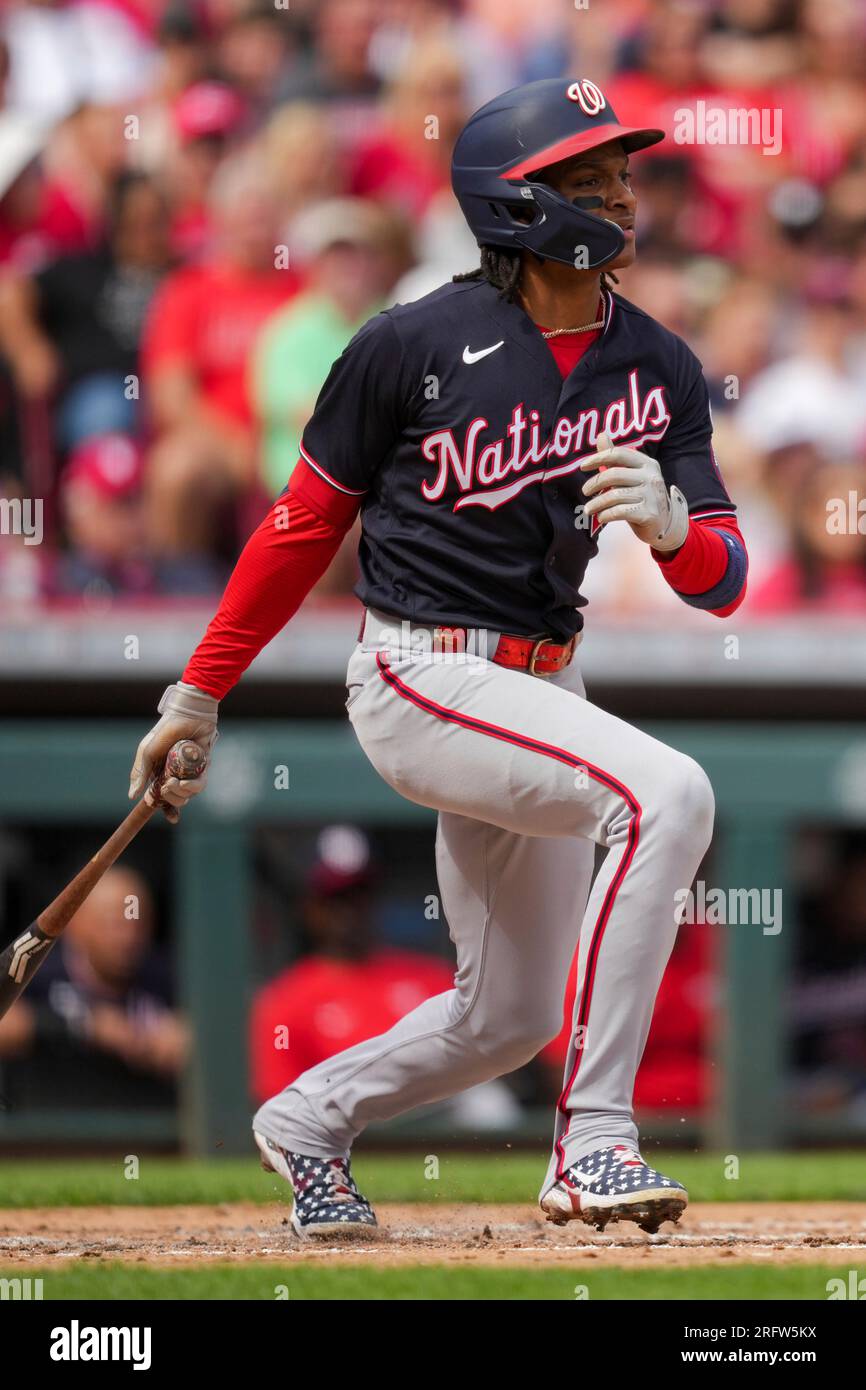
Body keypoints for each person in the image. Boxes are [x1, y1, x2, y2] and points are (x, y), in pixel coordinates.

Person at [128, 78, 748, 1241]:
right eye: (588, 178)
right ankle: (596, 1143)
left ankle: (310, 1120)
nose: (618, 194)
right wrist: (197, 689)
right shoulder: (408, 342)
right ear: (516, 204)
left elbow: (722, 577)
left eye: (617, 173)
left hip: (540, 680)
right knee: (667, 792)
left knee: (505, 1014)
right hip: (420, 671)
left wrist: (672, 528)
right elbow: (301, 524)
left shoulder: (654, 363)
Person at [250, 825, 456, 1105]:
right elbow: (279, 1103)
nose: (348, 910)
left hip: (439, 1110)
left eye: (358, 893)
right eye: (334, 897)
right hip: (348, 1123)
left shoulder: (430, 977)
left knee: (487, 1104)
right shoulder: (284, 1000)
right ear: (308, 905)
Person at [0, 866, 186, 1111]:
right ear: (75, 924)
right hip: (43, 1123)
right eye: (115, 924)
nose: (127, 938)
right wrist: (86, 1024)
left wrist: (190, 1038)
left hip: (143, 1128)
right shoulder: (38, 971)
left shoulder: (164, 976)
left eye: (138, 924)